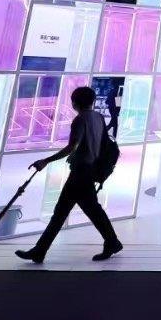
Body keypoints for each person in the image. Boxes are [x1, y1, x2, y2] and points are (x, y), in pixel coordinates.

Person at [15, 86, 122, 263]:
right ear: (93, 101)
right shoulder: (99, 117)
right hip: (89, 170)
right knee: (85, 210)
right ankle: (111, 242)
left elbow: (72, 146)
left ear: (74, 103)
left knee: (66, 213)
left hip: (80, 173)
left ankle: (40, 251)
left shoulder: (80, 120)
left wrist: (46, 160)